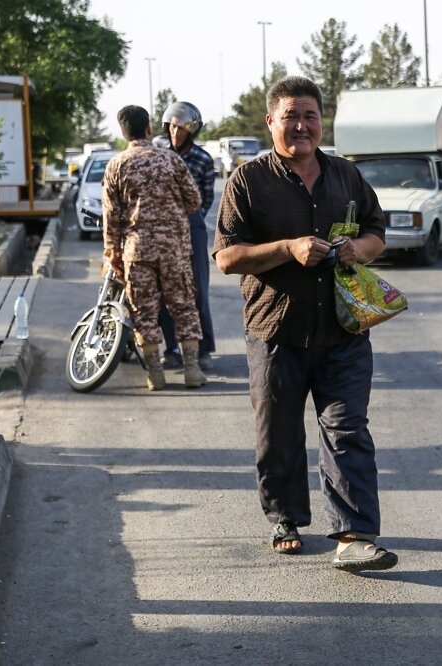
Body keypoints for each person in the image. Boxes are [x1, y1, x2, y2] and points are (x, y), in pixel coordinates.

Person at [213, 75, 397, 572]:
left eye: (310, 116)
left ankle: (354, 536)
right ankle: (286, 517)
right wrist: (287, 248)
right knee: (278, 433)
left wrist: (358, 249)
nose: (301, 126)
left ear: (322, 121)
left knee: (347, 429)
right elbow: (226, 257)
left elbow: (377, 232)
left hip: (343, 330)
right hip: (276, 332)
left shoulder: (346, 175)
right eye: (290, 116)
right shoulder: (248, 181)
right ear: (270, 122)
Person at [101, 105, 206, 391]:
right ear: (149, 129)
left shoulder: (116, 165)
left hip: (137, 252)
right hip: (174, 249)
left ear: (123, 132)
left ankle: (155, 375)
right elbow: (194, 200)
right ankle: (192, 370)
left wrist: (112, 254)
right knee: (183, 306)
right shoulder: (171, 160)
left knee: (144, 312)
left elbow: (111, 218)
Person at [157, 101, 218, 371]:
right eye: (172, 126)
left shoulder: (203, 159)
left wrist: (190, 220)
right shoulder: (159, 154)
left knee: (197, 289)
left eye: (181, 128)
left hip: (192, 226)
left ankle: (203, 349)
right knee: (164, 289)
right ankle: (171, 348)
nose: (175, 132)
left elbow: (207, 197)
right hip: (162, 229)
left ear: (191, 131)